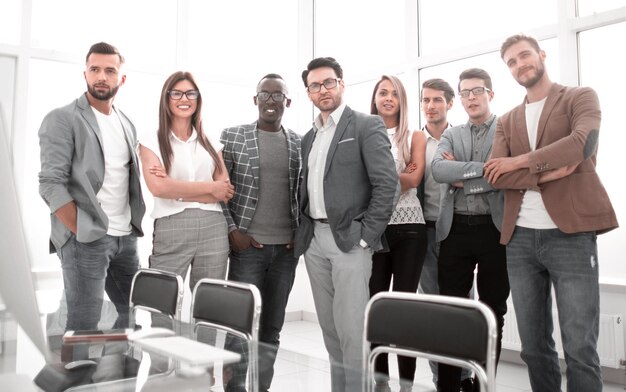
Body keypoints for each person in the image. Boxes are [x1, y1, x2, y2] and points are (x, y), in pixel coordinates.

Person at [484, 34, 618, 392]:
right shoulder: (507, 120)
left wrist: (522, 161)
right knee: (534, 348)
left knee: (580, 347)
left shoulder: (580, 96)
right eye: (510, 62)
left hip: (571, 235)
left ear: (541, 54)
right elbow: (497, 174)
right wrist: (552, 169)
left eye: (524, 55)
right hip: (520, 239)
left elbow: (580, 143)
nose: (519, 65)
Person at [294, 57, 398, 392]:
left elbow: (387, 185)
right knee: (329, 329)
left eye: (328, 82)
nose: (322, 89)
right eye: (315, 85)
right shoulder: (308, 137)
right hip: (314, 240)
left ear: (341, 83)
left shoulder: (367, 126)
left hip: (350, 241)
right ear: (308, 92)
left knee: (353, 331)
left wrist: (366, 237)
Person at [38, 42, 145, 331]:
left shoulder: (126, 122)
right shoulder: (63, 118)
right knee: (83, 323)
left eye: (110, 70)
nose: (101, 76)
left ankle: (119, 375)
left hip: (126, 239)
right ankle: (79, 376)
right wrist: (81, 230)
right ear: (84, 74)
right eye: (94, 69)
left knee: (132, 318)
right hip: (86, 239)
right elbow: (50, 183)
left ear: (121, 79)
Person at [220, 73, 301, 392]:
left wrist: (300, 233)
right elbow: (221, 189)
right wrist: (232, 230)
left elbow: (303, 193)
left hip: (285, 252)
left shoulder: (298, 141)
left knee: (272, 327)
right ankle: (236, 386)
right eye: (264, 95)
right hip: (247, 248)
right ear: (255, 100)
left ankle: (262, 387)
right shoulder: (233, 136)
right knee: (239, 324)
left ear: (287, 102)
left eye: (277, 95)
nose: (270, 101)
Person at [431, 68, 509, 392]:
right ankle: (449, 386)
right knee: (452, 314)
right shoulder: (452, 133)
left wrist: (462, 177)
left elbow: (506, 175)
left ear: (490, 94)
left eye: (477, 91)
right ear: (459, 99)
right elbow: (438, 170)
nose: (471, 98)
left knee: (492, 315)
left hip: (495, 232)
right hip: (455, 231)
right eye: (465, 93)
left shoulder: (506, 130)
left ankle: (483, 382)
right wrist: (485, 172)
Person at [139, 71, 233, 305]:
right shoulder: (150, 140)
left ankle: (204, 344)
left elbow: (224, 191)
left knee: (210, 304)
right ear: (166, 98)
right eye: (177, 93)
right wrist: (208, 189)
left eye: (191, 93)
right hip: (172, 226)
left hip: (213, 227)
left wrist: (176, 188)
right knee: (162, 302)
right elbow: (159, 188)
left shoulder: (211, 141)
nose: (184, 98)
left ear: (198, 99)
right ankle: (165, 344)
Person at [367, 75, 427, 392]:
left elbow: (414, 179)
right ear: (374, 97)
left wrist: (377, 185)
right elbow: (357, 182)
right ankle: (380, 381)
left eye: (394, 94)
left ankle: (406, 383)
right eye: (383, 92)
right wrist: (396, 178)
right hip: (374, 230)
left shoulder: (415, 136)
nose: (388, 98)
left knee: (403, 308)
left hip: (409, 229)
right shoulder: (363, 132)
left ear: (402, 100)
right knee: (375, 305)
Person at [416, 78, 474, 391]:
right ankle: (443, 380)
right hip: (424, 232)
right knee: (433, 309)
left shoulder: (461, 139)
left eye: (437, 100)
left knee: (463, 305)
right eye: (426, 100)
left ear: (450, 103)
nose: (430, 106)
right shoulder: (415, 141)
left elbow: (475, 172)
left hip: (457, 230)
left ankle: (465, 377)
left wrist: (458, 169)